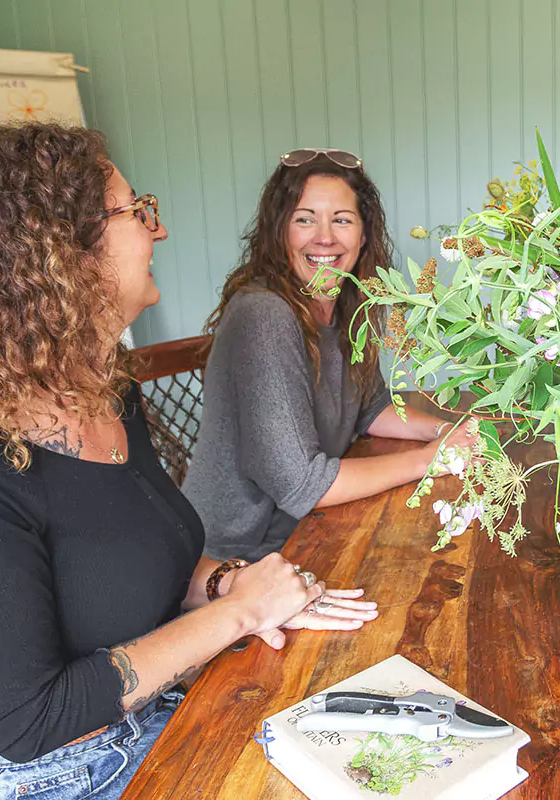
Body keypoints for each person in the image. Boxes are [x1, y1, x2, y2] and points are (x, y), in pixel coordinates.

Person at [0, 126, 379, 800]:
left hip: (154, 718)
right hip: (39, 780)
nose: (161, 230)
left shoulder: (104, 394)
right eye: (138, 212)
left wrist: (233, 586)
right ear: (60, 254)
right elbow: (26, 720)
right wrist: (235, 617)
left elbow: (145, 563)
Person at [183, 148, 476, 563]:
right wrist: (430, 462)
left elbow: (368, 408)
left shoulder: (344, 304)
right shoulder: (264, 314)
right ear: (279, 230)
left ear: (363, 234)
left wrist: (445, 433)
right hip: (235, 562)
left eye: (341, 219)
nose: (324, 237)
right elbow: (304, 484)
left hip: (305, 535)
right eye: (305, 219)